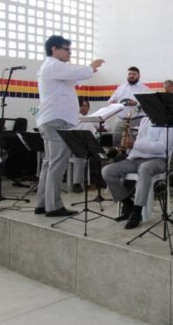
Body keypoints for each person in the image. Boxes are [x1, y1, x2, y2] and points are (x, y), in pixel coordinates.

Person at [35, 35, 104, 217]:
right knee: (57, 164)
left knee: (49, 163)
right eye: (66, 49)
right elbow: (76, 73)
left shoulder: (53, 68)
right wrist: (91, 66)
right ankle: (54, 206)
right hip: (57, 121)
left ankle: (43, 203)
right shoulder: (52, 65)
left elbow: (74, 79)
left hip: (52, 120)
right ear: (54, 49)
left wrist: (88, 72)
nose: (70, 53)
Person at [102, 116, 173, 229]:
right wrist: (128, 147)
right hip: (136, 158)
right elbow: (139, 142)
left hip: (158, 160)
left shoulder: (171, 124)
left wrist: (134, 144)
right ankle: (128, 204)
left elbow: (161, 148)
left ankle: (137, 212)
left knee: (144, 168)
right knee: (107, 171)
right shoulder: (145, 120)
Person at [109, 66, 151, 138]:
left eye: (134, 74)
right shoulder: (121, 87)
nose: (131, 76)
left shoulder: (144, 89)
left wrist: (136, 103)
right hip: (120, 120)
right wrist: (112, 102)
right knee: (116, 141)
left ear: (139, 75)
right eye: (129, 74)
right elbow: (111, 100)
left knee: (133, 143)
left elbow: (149, 105)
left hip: (136, 120)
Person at [70, 98, 100, 194]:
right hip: (74, 145)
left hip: (89, 144)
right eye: (81, 105)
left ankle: (96, 182)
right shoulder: (73, 118)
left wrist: (101, 129)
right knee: (79, 155)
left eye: (85, 105)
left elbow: (106, 127)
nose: (82, 108)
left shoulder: (92, 118)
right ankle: (77, 183)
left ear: (88, 107)